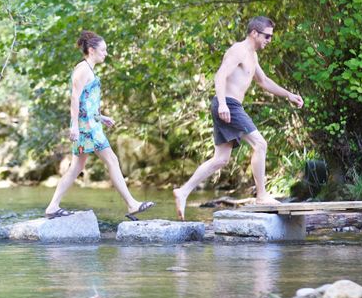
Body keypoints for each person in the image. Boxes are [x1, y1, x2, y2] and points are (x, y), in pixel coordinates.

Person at [173, 16, 303, 220]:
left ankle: (183, 192)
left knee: (220, 160)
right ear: (254, 33)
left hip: (230, 105)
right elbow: (220, 75)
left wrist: (288, 95)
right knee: (260, 143)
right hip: (229, 105)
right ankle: (261, 196)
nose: (269, 40)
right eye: (267, 36)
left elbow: (263, 81)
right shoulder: (238, 50)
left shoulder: (252, 55)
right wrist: (224, 104)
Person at [44, 31, 155, 221]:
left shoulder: (88, 69)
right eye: (103, 50)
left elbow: (87, 101)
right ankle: (131, 203)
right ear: (92, 50)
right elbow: (75, 98)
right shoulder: (82, 69)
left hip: (91, 123)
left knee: (76, 167)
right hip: (87, 127)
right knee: (111, 159)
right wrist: (74, 126)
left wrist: (101, 117)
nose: (106, 53)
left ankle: (52, 206)